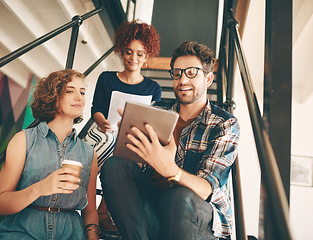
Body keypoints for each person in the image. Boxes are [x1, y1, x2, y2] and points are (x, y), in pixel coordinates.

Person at [100, 41, 240, 240]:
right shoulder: (158, 112)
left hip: (199, 219)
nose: (182, 79)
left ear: (208, 78)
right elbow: (136, 168)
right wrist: (131, 138)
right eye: (177, 73)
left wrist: (170, 170)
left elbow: (207, 188)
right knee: (115, 165)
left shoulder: (224, 124)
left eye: (191, 72)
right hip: (157, 211)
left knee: (179, 196)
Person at [0, 69, 100, 240]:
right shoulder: (23, 140)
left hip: (71, 234)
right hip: (22, 233)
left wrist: (93, 236)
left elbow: (90, 211)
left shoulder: (89, 153)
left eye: (82, 92)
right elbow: (0, 205)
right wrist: (40, 188)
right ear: (53, 96)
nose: (79, 97)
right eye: (70, 91)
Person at [83, 20, 162, 232]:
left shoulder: (153, 88)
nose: (133, 58)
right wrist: (101, 120)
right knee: (107, 143)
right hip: (103, 132)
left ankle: (103, 211)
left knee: (129, 154)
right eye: (128, 52)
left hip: (131, 139)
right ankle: (93, 212)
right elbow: (96, 108)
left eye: (139, 54)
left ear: (146, 57)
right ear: (121, 51)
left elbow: (151, 123)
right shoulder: (107, 79)